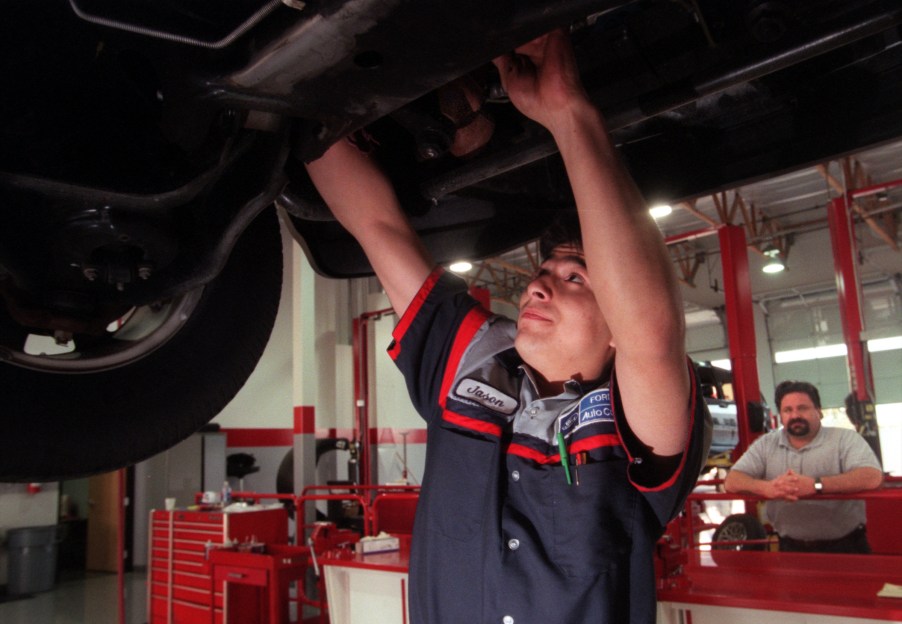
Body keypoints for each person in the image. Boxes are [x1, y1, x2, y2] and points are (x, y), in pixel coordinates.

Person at [306, 29, 711, 624]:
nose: (538, 284)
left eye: (575, 279)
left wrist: (569, 112)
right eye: (544, 269)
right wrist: (297, 105)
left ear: (616, 328)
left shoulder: (635, 418)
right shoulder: (472, 360)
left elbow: (651, 332)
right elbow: (378, 228)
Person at [724, 380, 883, 553]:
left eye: (802, 408)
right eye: (787, 410)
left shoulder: (845, 439)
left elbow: (871, 476)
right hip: (789, 547)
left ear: (819, 411)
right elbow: (732, 481)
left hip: (846, 547)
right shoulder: (766, 444)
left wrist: (816, 485)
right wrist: (767, 488)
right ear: (781, 415)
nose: (795, 416)